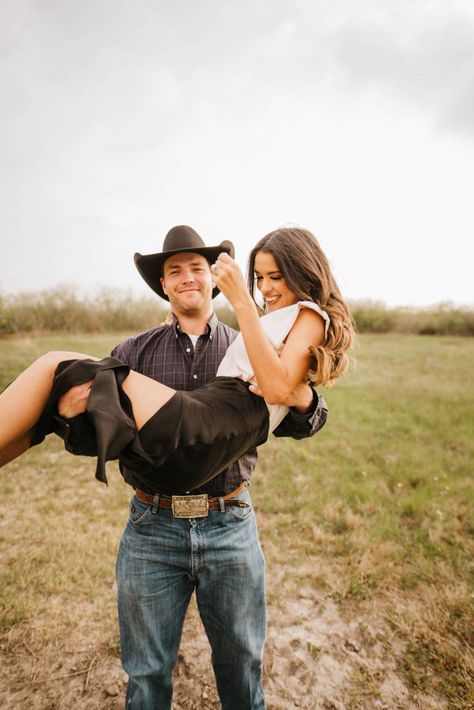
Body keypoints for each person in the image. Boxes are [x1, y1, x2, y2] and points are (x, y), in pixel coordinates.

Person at [0, 225, 352, 708]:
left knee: (241, 664)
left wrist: (305, 396)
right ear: (163, 285)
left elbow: (297, 407)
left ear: (213, 280)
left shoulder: (257, 328)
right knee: (56, 392)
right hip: (154, 519)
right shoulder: (133, 352)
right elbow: (100, 435)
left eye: (198, 269)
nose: (267, 288)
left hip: (227, 516)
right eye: (174, 271)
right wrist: (71, 416)